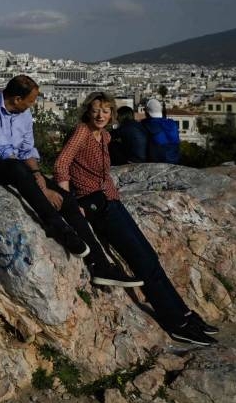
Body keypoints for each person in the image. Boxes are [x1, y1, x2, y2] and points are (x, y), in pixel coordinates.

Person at [55, 91, 218, 346]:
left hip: (111, 200)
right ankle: (175, 323)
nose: (100, 115)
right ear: (88, 111)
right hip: (96, 204)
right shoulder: (82, 133)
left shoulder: (105, 136)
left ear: (112, 114)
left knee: (149, 256)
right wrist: (69, 205)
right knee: (141, 261)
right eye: (96, 110)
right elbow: (61, 164)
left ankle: (185, 314)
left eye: (106, 111)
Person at [0, 75, 140, 287]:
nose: (34, 104)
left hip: (14, 167)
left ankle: (100, 266)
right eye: (31, 100)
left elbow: (26, 150)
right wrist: (43, 191)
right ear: (17, 99)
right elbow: (4, 152)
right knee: (18, 169)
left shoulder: (24, 114)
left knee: (67, 200)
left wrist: (39, 177)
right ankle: (56, 225)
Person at [143, 99, 181, 164]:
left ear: (147, 113)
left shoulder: (146, 124)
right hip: (174, 160)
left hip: (157, 161)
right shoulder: (173, 123)